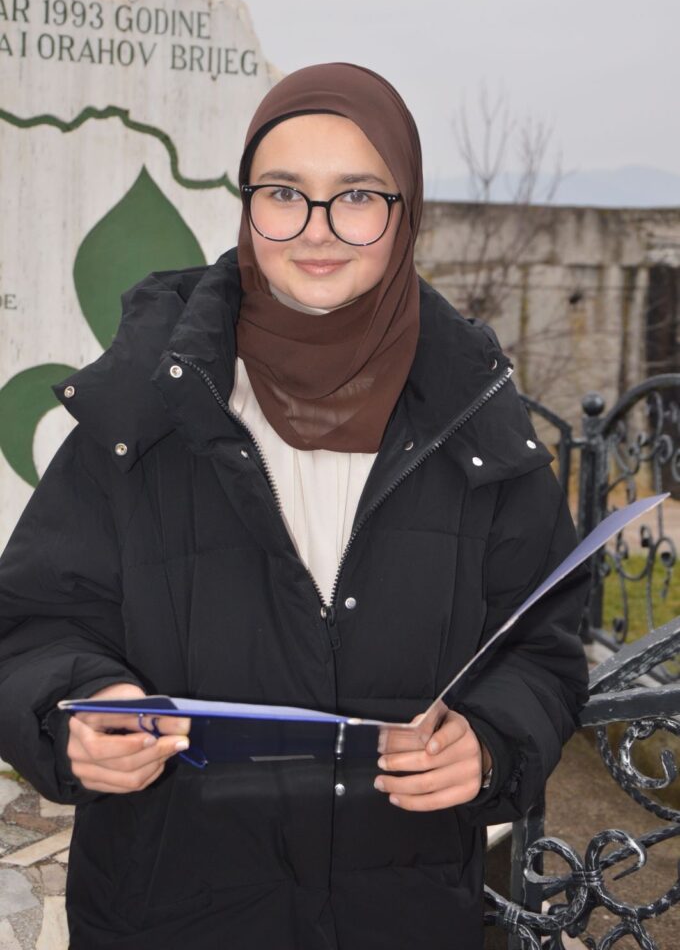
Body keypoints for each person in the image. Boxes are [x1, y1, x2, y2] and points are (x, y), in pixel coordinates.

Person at [0, 63, 589, 950]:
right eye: (284, 193)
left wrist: (494, 741)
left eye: (356, 196)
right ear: (247, 206)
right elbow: (34, 625)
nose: (317, 229)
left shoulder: (473, 415)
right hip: (169, 911)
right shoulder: (144, 407)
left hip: (402, 915)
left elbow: (543, 645)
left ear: (406, 212)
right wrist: (76, 709)